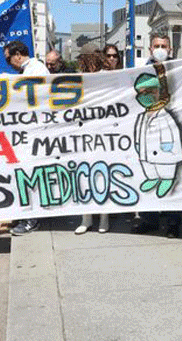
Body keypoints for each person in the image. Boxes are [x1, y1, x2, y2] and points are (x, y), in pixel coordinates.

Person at [131, 33, 182, 238]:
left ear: (169, 49)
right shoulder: (138, 71)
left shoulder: (180, 69)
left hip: (166, 125)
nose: (160, 49)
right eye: (156, 46)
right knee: (147, 170)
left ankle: (173, 223)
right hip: (146, 125)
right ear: (150, 49)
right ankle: (148, 220)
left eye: (164, 46)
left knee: (172, 179)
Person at [4, 40, 47, 235]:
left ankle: (32, 219)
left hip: (36, 132)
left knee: (31, 175)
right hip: (29, 131)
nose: (9, 63)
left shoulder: (35, 70)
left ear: (18, 55)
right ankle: (26, 216)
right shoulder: (30, 70)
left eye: (8, 59)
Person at [75, 42, 110, 234]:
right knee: (83, 176)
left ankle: (104, 218)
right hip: (84, 133)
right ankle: (86, 218)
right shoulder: (79, 78)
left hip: (104, 134)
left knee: (102, 174)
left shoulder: (108, 77)